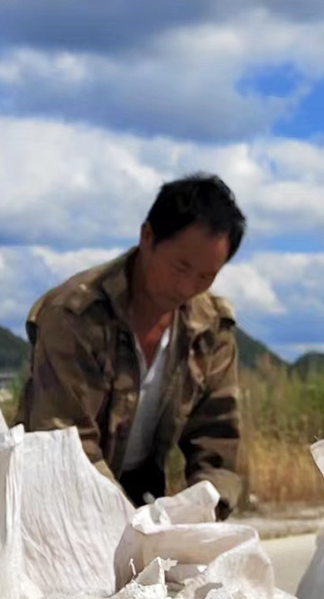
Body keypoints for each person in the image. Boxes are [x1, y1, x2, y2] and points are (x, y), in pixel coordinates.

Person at [19, 173, 247, 517]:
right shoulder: (76, 316)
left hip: (141, 494)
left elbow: (217, 439)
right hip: (56, 502)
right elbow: (65, 444)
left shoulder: (210, 330)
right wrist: (128, 525)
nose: (187, 286)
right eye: (180, 267)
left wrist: (203, 511)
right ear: (147, 237)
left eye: (205, 276)